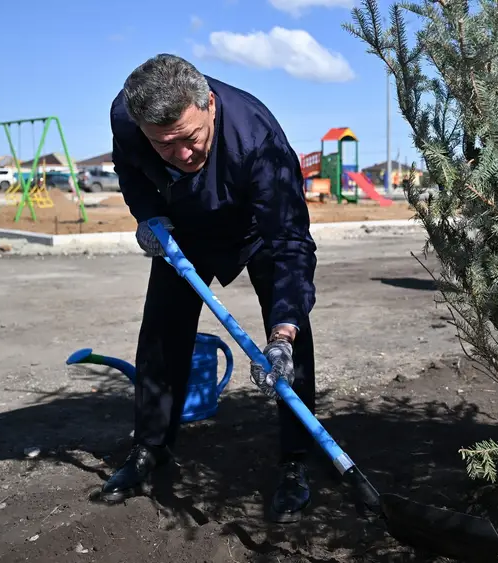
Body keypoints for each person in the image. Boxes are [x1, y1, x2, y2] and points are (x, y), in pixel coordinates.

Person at [100, 53, 318, 524]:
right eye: (165, 145)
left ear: (211, 105)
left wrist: (283, 333)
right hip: (183, 230)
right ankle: (150, 448)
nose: (181, 154)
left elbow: (291, 243)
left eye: (191, 139)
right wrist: (147, 216)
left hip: (257, 231)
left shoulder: (258, 139)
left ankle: (297, 459)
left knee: (291, 342)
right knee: (160, 335)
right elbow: (130, 169)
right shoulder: (127, 116)